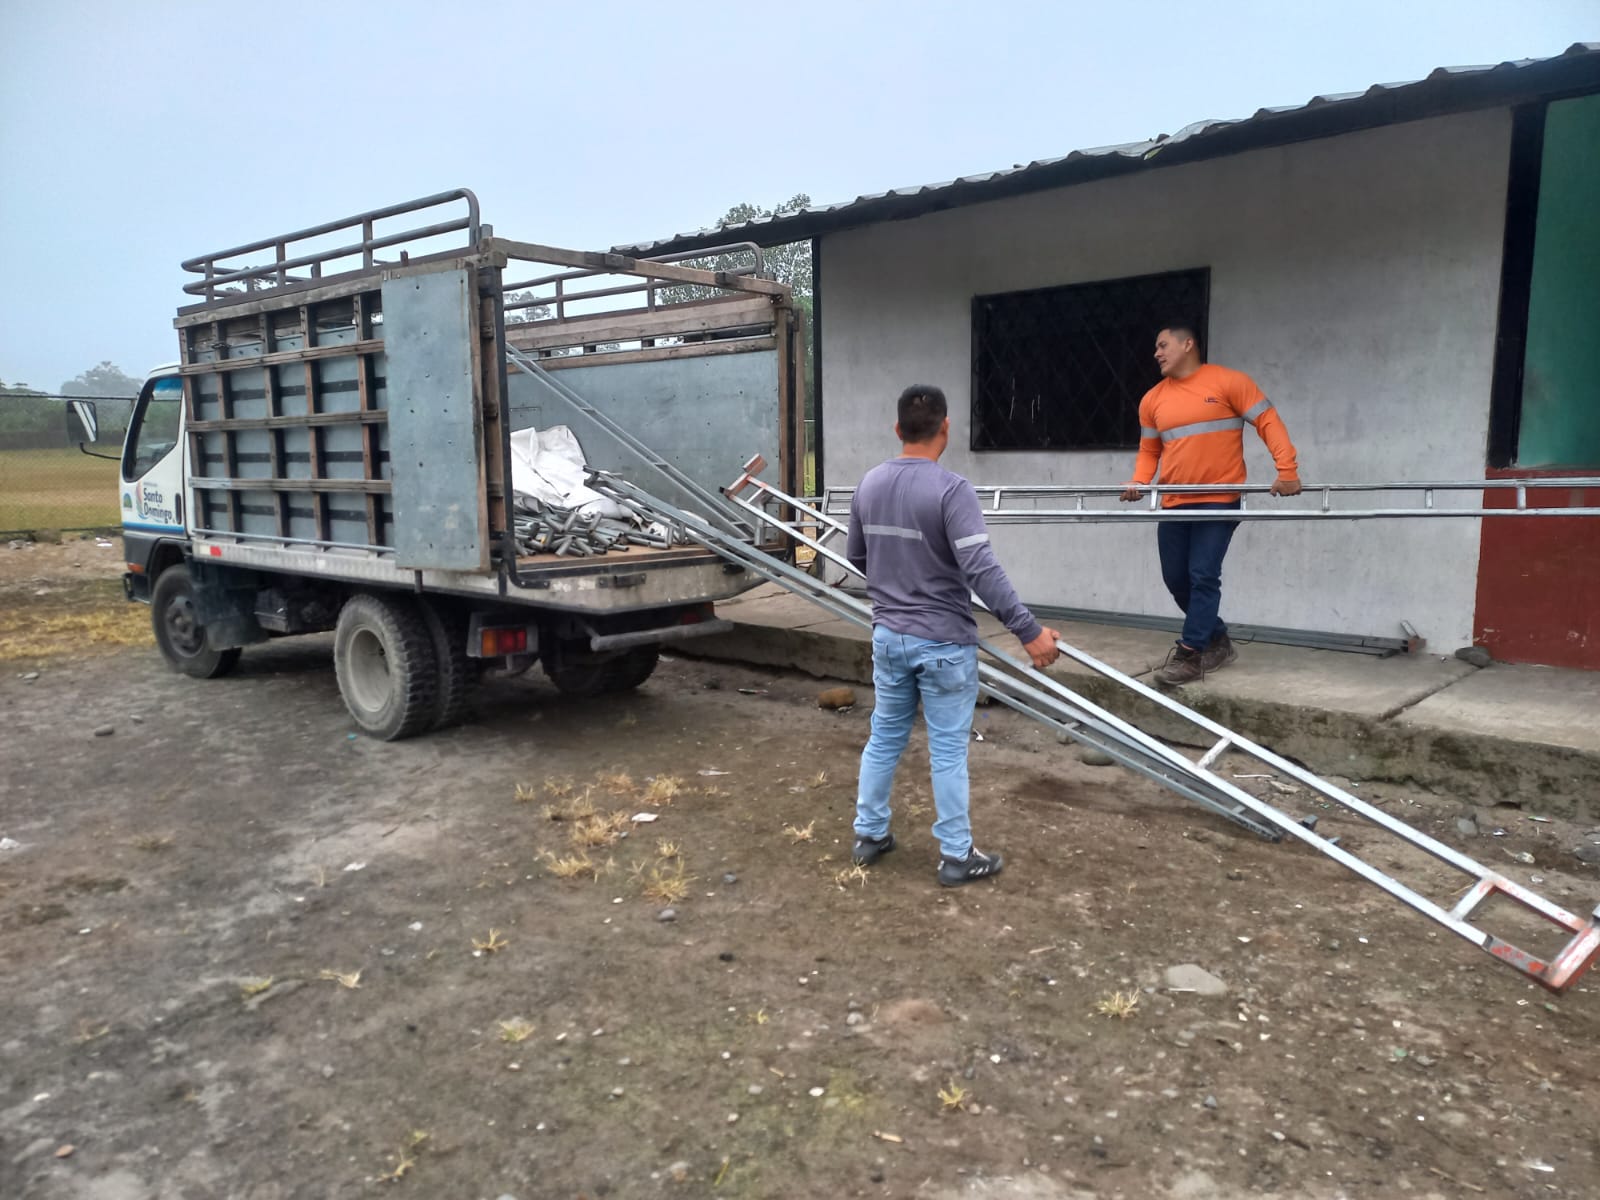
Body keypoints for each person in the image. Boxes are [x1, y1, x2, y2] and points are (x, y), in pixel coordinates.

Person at [846, 384, 1061, 887]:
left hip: (888, 635)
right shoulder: (951, 490)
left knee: (884, 737)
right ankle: (956, 856)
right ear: (946, 427)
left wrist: (897, 585)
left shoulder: (868, 484)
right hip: (943, 641)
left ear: (898, 429)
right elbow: (980, 567)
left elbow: (857, 556)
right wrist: (1028, 631)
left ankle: (869, 835)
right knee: (946, 750)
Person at [1120, 323, 1302, 686]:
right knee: (1176, 579)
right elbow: (1149, 450)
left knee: (1203, 574)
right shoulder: (1152, 399)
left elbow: (1267, 421)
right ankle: (1217, 638)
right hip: (1174, 501)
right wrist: (1139, 481)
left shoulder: (1228, 382)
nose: (1156, 353)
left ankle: (1191, 654)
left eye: (1163, 345)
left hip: (1219, 499)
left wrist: (1287, 470)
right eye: (1156, 347)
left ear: (1188, 344)